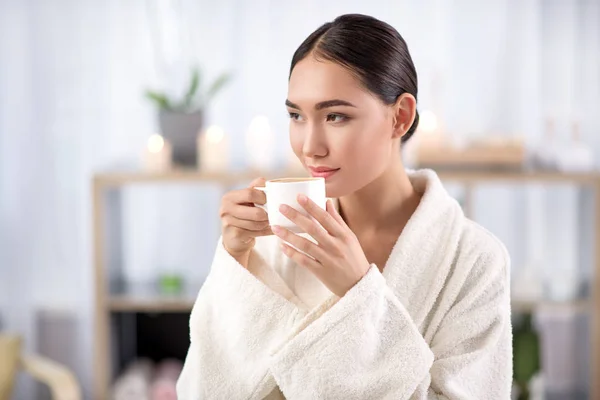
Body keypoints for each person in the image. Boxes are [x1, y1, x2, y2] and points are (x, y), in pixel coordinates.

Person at [177, 13, 512, 399]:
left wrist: (359, 296)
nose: (309, 146)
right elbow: (204, 389)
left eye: (335, 116)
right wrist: (236, 261)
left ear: (399, 117)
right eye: (296, 116)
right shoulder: (274, 240)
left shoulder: (473, 260)